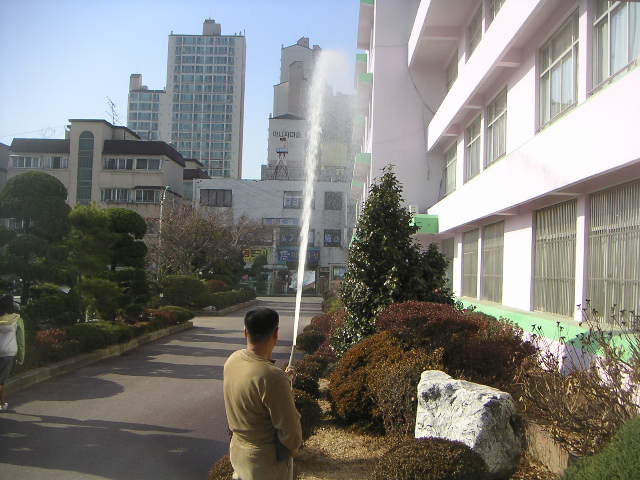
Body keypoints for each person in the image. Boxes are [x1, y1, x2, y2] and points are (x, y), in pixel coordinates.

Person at [223, 307, 302, 480]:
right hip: (265, 464)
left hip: (239, 454)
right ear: (276, 334)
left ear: (245, 332)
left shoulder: (233, 360)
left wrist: (284, 382)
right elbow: (292, 435)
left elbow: (253, 391)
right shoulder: (272, 378)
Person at [0, 295, 25, 411]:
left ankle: (2, 403)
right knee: (1, 380)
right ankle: (1, 404)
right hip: (9, 352)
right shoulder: (17, 319)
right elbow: (21, 340)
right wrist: (21, 357)